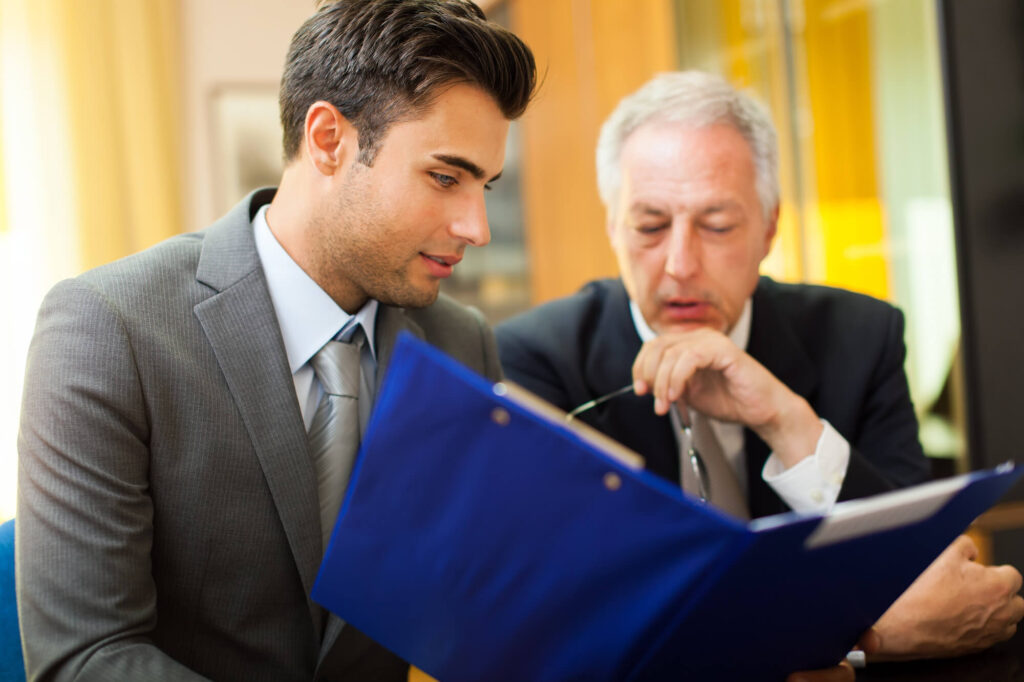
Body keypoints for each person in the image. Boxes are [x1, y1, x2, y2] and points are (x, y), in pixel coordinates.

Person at [16, 2, 535, 680]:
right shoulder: (107, 329)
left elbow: (472, 609)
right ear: (328, 139)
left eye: (485, 187)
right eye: (445, 177)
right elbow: (84, 660)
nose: (476, 227)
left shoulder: (461, 345)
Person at [497, 71, 1024, 662]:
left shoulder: (859, 336)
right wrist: (860, 642)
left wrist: (786, 420)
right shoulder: (534, 361)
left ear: (770, 227)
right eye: (649, 226)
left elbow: (925, 572)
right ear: (613, 227)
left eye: (716, 226)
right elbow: (572, 616)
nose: (679, 264)